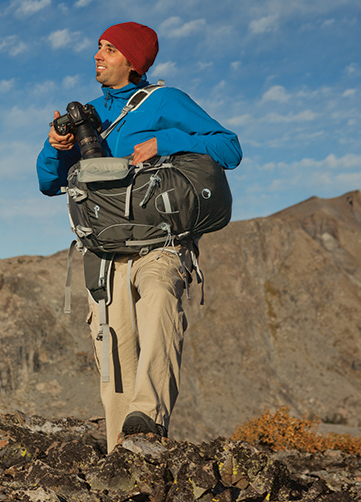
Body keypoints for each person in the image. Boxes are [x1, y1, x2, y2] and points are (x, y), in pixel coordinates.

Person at [35, 21, 242, 453]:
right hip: (105, 254)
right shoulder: (89, 113)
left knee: (162, 298)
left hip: (160, 247)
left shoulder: (165, 101)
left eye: (109, 49)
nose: (98, 55)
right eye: (98, 47)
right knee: (114, 351)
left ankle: (148, 419)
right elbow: (48, 184)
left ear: (132, 61)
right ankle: (121, 457)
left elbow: (229, 148)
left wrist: (162, 141)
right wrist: (55, 146)